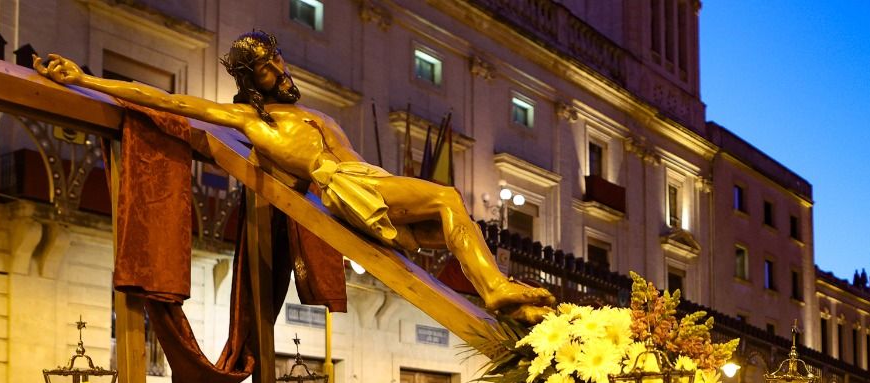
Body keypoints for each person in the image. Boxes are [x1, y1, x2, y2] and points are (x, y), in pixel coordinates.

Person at [34, 32, 554, 321]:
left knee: (454, 224)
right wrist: (86, 79)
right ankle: (494, 289)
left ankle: (507, 305)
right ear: (250, 81)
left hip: (367, 182)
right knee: (445, 197)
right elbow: (167, 100)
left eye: (278, 60)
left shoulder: (310, 114)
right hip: (349, 189)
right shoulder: (248, 120)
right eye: (267, 67)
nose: (281, 70)